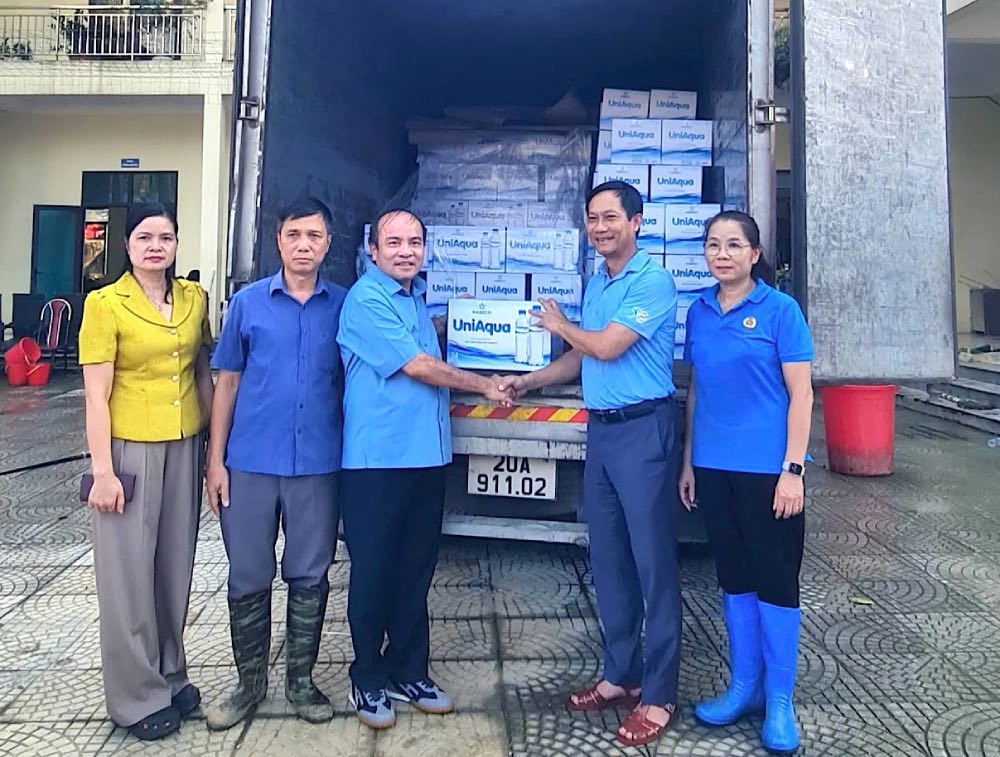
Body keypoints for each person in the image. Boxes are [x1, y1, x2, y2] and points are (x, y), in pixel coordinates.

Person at [500, 181, 682, 748]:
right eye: (592, 218)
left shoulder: (652, 279)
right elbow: (583, 354)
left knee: (654, 566)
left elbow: (606, 346)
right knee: (608, 560)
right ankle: (620, 675)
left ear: (637, 221)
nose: (600, 227)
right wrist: (529, 381)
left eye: (611, 217)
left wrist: (557, 327)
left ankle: (659, 694)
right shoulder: (599, 279)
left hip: (643, 431)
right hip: (602, 434)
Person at [337, 208, 511, 730]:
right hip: (378, 464)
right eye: (395, 242)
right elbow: (416, 366)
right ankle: (367, 678)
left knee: (415, 571)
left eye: (415, 242)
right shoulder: (366, 300)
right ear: (374, 249)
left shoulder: (416, 300)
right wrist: (484, 384)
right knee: (373, 573)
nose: (406, 250)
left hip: (426, 458)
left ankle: (409, 671)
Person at [204, 198, 347, 729]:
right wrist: (214, 461)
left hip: (317, 463)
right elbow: (228, 382)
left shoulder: (344, 306)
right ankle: (248, 684)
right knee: (247, 572)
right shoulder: (247, 304)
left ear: (328, 243)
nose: (304, 244)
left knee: (310, 573)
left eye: (314, 235)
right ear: (278, 241)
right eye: (294, 235)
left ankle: (301, 683)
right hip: (249, 463)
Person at [678, 211, 813, 754]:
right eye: (713, 245)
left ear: (755, 254)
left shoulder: (781, 311)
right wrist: (689, 461)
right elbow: (695, 393)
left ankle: (779, 701)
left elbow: (801, 395)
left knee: (776, 579)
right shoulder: (700, 311)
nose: (722, 254)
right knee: (733, 577)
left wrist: (793, 469)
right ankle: (743, 686)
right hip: (714, 467)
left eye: (734, 245)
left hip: (769, 472)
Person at [79, 202, 214, 741]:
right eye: (144, 237)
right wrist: (104, 471)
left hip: (183, 444)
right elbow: (95, 396)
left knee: (173, 567)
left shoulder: (193, 299)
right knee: (127, 576)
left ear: (177, 244)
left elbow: (203, 370)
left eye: (165, 236)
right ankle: (136, 696)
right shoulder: (104, 304)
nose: (156, 245)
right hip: (129, 447)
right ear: (127, 246)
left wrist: (213, 450)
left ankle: (170, 673)